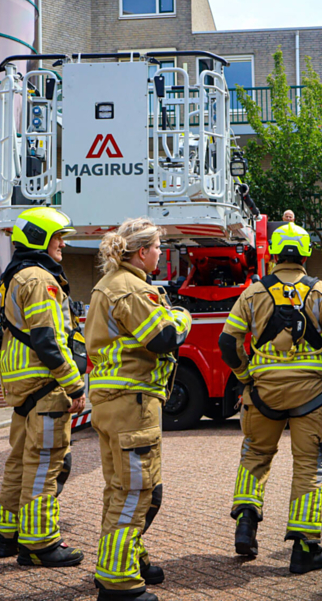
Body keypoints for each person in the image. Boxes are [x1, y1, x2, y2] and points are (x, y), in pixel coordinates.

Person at [219, 222, 322, 574]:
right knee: (308, 468)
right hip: (311, 397)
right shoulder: (321, 292)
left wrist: (245, 377)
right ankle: (304, 549)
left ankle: (246, 523)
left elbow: (228, 342)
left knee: (255, 455)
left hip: (262, 394)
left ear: (276, 254)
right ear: (306, 255)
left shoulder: (253, 293)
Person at [85, 218, 192, 601]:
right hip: (133, 402)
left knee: (120, 489)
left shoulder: (109, 284)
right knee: (138, 492)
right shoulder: (131, 288)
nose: (161, 253)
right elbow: (163, 337)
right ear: (143, 251)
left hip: (112, 401)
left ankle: (127, 560)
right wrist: (182, 316)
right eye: (159, 247)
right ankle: (119, 583)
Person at [0, 207, 87, 567]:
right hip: (45, 386)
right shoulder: (39, 279)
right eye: (57, 237)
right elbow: (49, 342)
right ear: (39, 239)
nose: (62, 244)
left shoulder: (14, 278)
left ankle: (9, 535)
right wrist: (75, 387)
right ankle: (40, 543)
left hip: (22, 390)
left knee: (19, 462)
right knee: (46, 464)